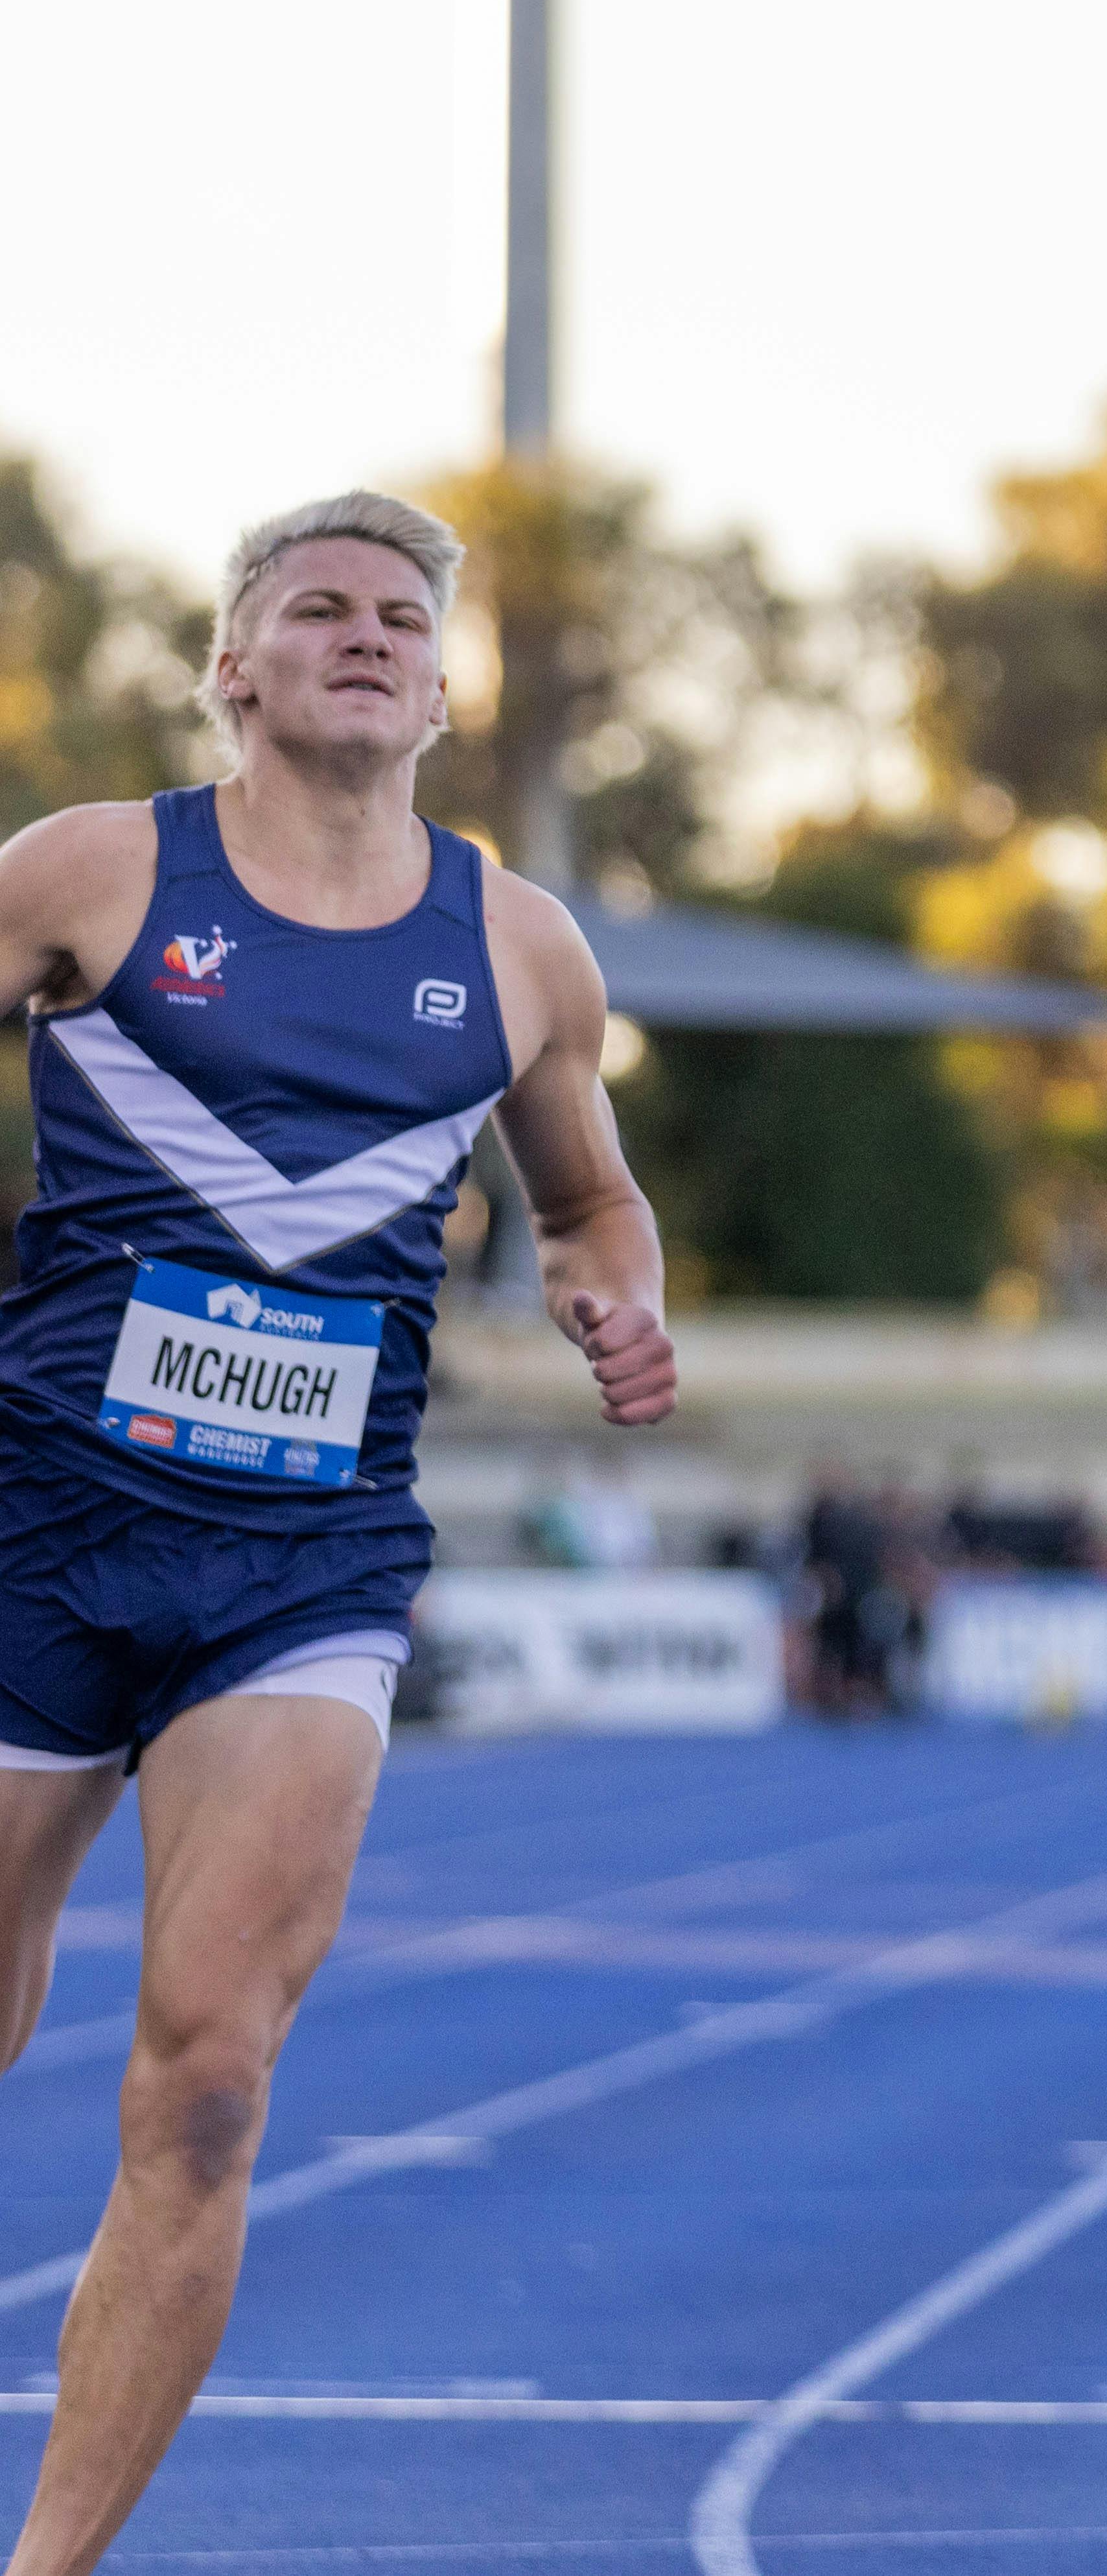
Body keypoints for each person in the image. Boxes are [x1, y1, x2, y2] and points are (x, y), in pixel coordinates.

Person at [0, 491, 677, 2571]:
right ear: (235, 666)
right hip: (39, 1520)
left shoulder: (519, 945)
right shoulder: (95, 871)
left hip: (304, 1568)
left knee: (208, 2081)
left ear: (444, 690)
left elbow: (589, 1199)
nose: (367, 634)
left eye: (402, 616)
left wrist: (616, 1295)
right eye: (319, 608)